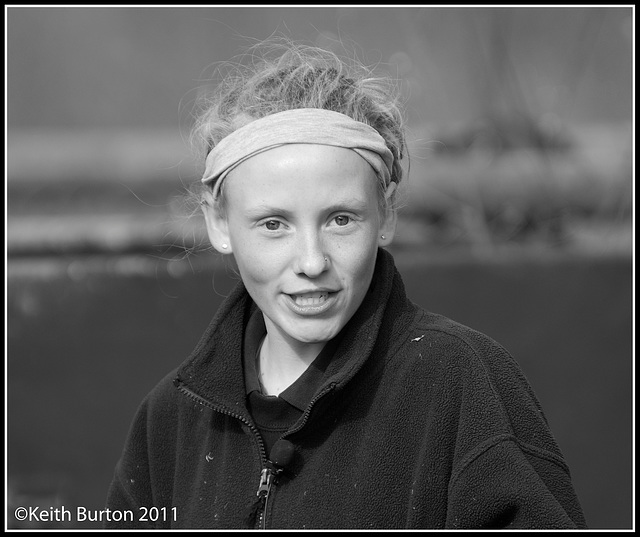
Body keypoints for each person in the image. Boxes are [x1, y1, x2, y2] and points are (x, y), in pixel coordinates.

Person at [104, 38, 587, 530]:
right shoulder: (172, 419)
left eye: (340, 219)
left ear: (386, 214)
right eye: (273, 224)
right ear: (219, 224)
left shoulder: (459, 386)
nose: (312, 261)